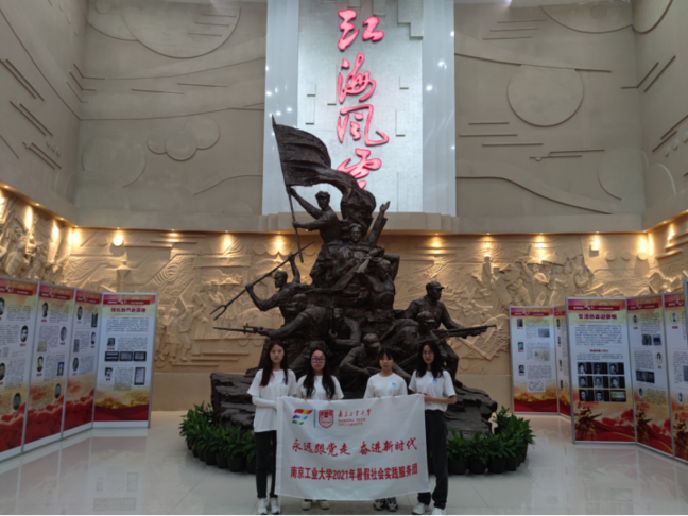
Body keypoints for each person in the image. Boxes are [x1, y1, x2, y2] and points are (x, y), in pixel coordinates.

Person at [247, 341, 297, 516]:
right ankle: (262, 499)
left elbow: (293, 398)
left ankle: (274, 497)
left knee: (278, 463)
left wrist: (284, 405)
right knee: (261, 463)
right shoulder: (261, 374)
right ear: (268, 354)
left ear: (284, 353)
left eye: (279, 351)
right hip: (263, 423)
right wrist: (274, 404)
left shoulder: (289, 374)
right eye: (273, 351)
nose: (276, 354)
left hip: (281, 424)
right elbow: (254, 399)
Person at [409, 341, 455, 516]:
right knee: (422, 461)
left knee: (439, 461)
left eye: (430, 352)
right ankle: (423, 500)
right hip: (419, 418)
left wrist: (432, 399)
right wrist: (417, 396)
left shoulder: (443, 374)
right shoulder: (417, 373)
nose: (427, 355)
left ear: (436, 354)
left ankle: (440, 504)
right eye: (424, 352)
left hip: (436, 417)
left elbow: (452, 399)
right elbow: (412, 393)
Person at [296, 347, 343, 511]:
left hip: (325, 428)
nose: (318, 361)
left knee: (323, 461)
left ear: (325, 361)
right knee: (307, 461)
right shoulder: (302, 381)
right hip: (307, 429)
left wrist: (332, 404)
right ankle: (307, 495)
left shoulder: (332, 380)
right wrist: (302, 404)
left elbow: (340, 403)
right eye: (315, 358)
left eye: (321, 358)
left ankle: (323, 494)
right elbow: (294, 405)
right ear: (310, 361)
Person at [364, 348, 408, 513]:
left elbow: (406, 405)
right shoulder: (372, 380)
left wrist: (397, 402)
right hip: (377, 427)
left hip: (394, 428)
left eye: (388, 358)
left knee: (392, 461)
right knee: (378, 461)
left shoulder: (400, 381)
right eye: (382, 358)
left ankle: (391, 495)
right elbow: (365, 403)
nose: (385, 361)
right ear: (379, 361)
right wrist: (374, 402)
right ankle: (379, 495)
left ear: (393, 361)